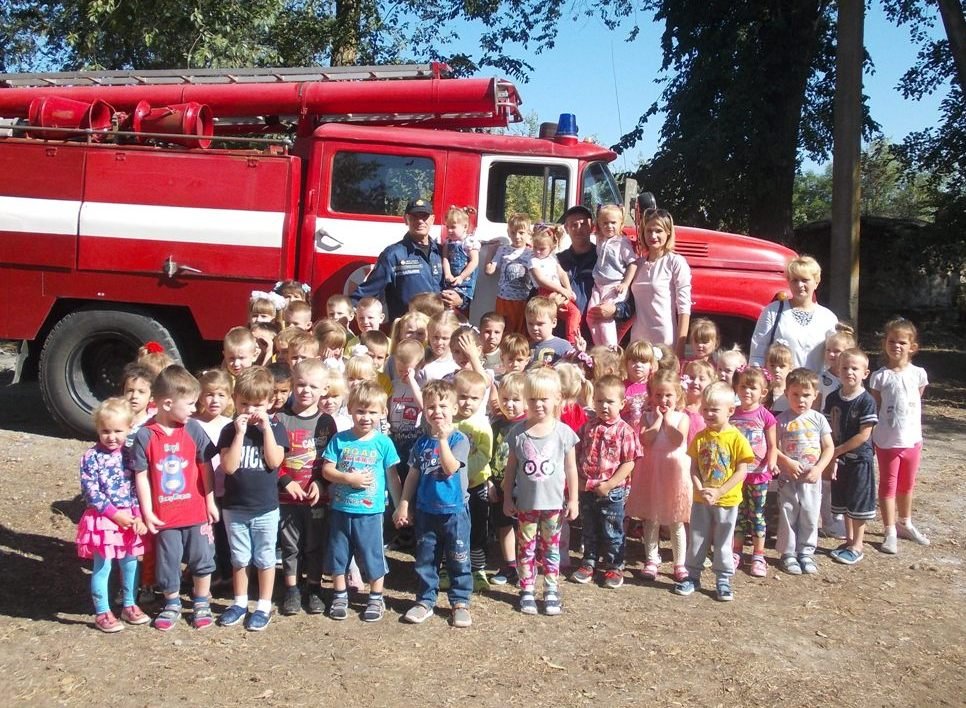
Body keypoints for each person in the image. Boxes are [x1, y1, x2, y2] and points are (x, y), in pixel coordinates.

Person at [130, 365, 219, 631]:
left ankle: (201, 601)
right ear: (168, 403)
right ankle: (171, 603)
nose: (195, 409)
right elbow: (141, 476)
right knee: (168, 561)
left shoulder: (193, 430)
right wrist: (147, 512)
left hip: (196, 511)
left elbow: (206, 468)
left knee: (202, 557)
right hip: (165, 516)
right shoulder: (145, 435)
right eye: (190, 403)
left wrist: (211, 501)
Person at [394, 380, 473, 627]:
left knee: (458, 558)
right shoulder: (420, 444)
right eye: (430, 407)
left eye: (442, 406)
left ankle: (460, 603)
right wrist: (404, 504)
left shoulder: (460, 440)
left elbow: (450, 469)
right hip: (427, 511)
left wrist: (442, 439)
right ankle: (425, 601)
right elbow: (413, 476)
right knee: (426, 559)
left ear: (454, 409)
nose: (436, 411)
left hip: (455, 512)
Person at [321, 381, 402, 622]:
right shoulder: (340, 440)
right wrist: (348, 478)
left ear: (382, 413)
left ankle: (376, 597)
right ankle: (339, 594)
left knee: (372, 554)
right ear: (350, 410)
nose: (365, 417)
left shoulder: (383, 443)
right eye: (360, 411)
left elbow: (393, 477)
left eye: (372, 412)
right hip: (341, 509)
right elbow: (327, 470)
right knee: (339, 553)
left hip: (371, 511)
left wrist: (400, 506)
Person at [216, 367, 289, 632]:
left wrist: (266, 428)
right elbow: (230, 467)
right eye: (244, 403)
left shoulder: (277, 428)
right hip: (235, 508)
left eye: (257, 404)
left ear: (270, 403)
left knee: (265, 557)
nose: (250, 410)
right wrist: (238, 433)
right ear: (234, 400)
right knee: (239, 558)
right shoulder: (229, 430)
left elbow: (274, 461)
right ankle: (239, 602)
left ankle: (263, 605)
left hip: (265, 508)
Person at [502, 368, 580, 616]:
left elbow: (571, 468)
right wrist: (506, 498)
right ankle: (526, 589)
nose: (538, 404)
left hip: (554, 506)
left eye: (543, 399)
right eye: (532, 399)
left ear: (557, 398)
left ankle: (550, 589)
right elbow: (510, 469)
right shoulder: (518, 433)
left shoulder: (564, 433)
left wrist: (574, 499)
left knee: (551, 549)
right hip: (525, 504)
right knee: (526, 548)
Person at [675, 381, 754, 602]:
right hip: (701, 500)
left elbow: (741, 471)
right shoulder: (700, 437)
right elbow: (693, 467)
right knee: (697, 538)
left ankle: (723, 579)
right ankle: (692, 576)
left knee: (723, 541)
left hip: (727, 501)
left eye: (714, 409)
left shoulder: (736, 438)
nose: (708, 413)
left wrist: (719, 492)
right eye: (706, 408)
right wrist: (700, 489)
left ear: (730, 411)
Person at [77, 397, 148, 632]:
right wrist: (114, 514)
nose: (112, 436)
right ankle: (102, 612)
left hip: (128, 519)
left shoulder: (130, 455)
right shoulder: (91, 457)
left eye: (118, 430)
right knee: (103, 566)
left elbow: (135, 488)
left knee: (130, 563)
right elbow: (91, 492)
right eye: (105, 431)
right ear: (98, 429)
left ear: (129, 428)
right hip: (104, 520)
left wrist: (137, 515)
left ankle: (129, 604)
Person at [275, 359, 338, 615]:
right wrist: (285, 480)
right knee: (290, 546)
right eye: (300, 384)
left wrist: (322, 483)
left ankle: (314, 588)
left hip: (316, 497)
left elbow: (331, 459)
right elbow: (270, 459)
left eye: (313, 386)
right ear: (292, 384)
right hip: (286, 496)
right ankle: (291, 589)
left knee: (314, 544)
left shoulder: (327, 423)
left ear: (324, 389)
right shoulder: (279, 419)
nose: (305, 390)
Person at [571, 375, 641, 589]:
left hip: (612, 491)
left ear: (622, 403)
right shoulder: (587, 428)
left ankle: (614, 566)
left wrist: (610, 485)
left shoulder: (624, 431)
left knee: (612, 530)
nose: (604, 406)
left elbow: (629, 463)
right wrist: (580, 480)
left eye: (610, 401)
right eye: (600, 401)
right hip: (587, 488)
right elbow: (576, 453)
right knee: (589, 528)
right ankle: (589, 562)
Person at [871, 317, 930, 553]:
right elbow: (878, 406)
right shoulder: (880, 377)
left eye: (902, 342)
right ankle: (889, 530)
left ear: (912, 347)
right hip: (887, 441)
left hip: (912, 439)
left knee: (907, 484)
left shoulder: (919, 374)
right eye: (892, 341)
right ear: (885, 343)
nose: (897, 346)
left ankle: (905, 522)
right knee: (888, 484)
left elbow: (916, 399)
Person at [351, 198, 463, 321]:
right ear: (406, 219)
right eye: (414, 216)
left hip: (437, 332)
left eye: (424, 216)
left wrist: (461, 300)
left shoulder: (444, 253)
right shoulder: (393, 255)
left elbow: (462, 284)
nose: (420, 221)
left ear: (432, 219)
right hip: (408, 332)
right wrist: (345, 312)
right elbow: (367, 291)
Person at [628, 369, 691, 583]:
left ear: (677, 396)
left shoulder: (683, 418)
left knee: (675, 519)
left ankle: (679, 562)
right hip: (652, 470)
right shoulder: (647, 417)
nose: (663, 400)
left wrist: (668, 421)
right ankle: (652, 559)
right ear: (651, 396)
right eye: (658, 395)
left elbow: (676, 439)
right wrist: (656, 421)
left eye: (668, 395)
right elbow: (646, 440)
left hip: (673, 471)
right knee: (651, 518)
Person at [775, 368, 835, 575]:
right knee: (789, 512)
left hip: (811, 478)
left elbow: (829, 447)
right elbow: (772, 447)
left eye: (806, 395)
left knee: (810, 513)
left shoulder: (818, 419)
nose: (801, 400)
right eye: (796, 394)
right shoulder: (781, 420)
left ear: (815, 395)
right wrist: (786, 462)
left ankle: (806, 552)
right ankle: (788, 552)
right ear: (786, 394)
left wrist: (819, 468)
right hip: (788, 477)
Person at [826, 349, 878, 565]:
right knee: (844, 501)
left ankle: (858, 544)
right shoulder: (832, 398)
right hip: (839, 460)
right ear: (838, 370)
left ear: (865, 373)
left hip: (858, 460)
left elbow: (864, 435)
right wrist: (830, 454)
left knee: (858, 503)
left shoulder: (866, 401)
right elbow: (828, 428)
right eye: (845, 368)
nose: (849, 372)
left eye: (855, 368)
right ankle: (848, 540)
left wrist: (836, 451)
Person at [749, 255, 839, 374]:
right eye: (795, 280)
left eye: (805, 280)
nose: (799, 285)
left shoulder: (828, 318)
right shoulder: (773, 311)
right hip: (781, 388)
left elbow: (837, 359)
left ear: (816, 282)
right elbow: (757, 355)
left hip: (816, 389)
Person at [729, 366, 778, 578]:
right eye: (743, 387)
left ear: (763, 392)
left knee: (757, 514)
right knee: (738, 514)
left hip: (759, 474)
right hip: (736, 475)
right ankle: (735, 551)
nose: (747, 391)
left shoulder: (766, 416)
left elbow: (772, 445)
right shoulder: (732, 413)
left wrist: (772, 463)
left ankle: (758, 555)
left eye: (752, 388)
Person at [628, 209, 692, 358]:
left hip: (665, 340)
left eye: (658, 231)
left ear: (668, 232)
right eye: (649, 231)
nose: (653, 236)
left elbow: (684, 308)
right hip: (638, 340)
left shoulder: (675, 262)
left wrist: (680, 347)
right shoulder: (637, 264)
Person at [452, 370, 494, 591]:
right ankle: (446, 567)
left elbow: (484, 454)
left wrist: (464, 475)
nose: (467, 402)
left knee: (477, 528)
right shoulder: (449, 422)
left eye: (474, 398)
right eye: (462, 396)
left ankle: (477, 569)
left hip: (475, 485)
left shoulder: (481, 424)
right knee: (452, 529)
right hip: (450, 488)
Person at [488, 372, 527, 586]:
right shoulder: (496, 426)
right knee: (504, 526)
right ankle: (509, 564)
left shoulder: (528, 426)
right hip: (499, 486)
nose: (509, 405)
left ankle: (526, 563)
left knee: (524, 526)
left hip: (522, 487)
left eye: (515, 400)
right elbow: (487, 454)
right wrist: (489, 481)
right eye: (505, 399)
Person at [587, 204, 638, 346]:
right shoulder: (600, 240)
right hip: (598, 286)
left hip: (614, 286)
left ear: (621, 223)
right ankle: (599, 348)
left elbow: (633, 263)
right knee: (591, 315)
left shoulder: (622, 243)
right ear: (599, 225)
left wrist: (625, 284)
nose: (609, 226)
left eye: (613, 223)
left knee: (605, 318)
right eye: (605, 223)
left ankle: (610, 350)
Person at [529, 224, 581, 344]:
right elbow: (540, 280)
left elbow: (562, 274)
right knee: (546, 318)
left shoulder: (552, 259)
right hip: (544, 293)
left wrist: (568, 289)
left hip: (557, 291)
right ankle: (571, 342)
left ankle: (573, 341)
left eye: (542, 249)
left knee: (573, 313)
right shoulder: (533, 261)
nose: (537, 251)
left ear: (551, 248)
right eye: (535, 247)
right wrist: (562, 291)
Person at [485, 212, 533, 335]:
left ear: (528, 233)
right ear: (508, 233)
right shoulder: (503, 250)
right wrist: (490, 251)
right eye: (513, 232)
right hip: (504, 300)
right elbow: (489, 271)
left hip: (523, 300)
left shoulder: (531, 252)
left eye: (521, 233)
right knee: (504, 332)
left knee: (521, 334)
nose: (517, 236)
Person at [557, 205, 598, 340]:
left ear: (592, 227)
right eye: (574, 225)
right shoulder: (557, 260)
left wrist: (616, 310)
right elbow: (538, 292)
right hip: (562, 331)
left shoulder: (603, 259)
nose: (579, 228)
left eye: (583, 224)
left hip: (593, 331)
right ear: (567, 229)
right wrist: (550, 302)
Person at [441, 206, 480, 309]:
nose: (449, 230)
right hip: (451, 280)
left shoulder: (469, 242)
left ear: (465, 227)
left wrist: (461, 277)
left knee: (460, 305)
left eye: (453, 227)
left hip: (465, 283)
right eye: (447, 226)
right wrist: (448, 274)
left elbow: (474, 261)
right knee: (446, 302)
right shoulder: (448, 242)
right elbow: (445, 258)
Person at [526, 296, 572, 367]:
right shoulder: (527, 347)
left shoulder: (563, 346)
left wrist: (578, 352)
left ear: (553, 323)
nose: (534, 328)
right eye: (530, 324)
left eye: (540, 324)